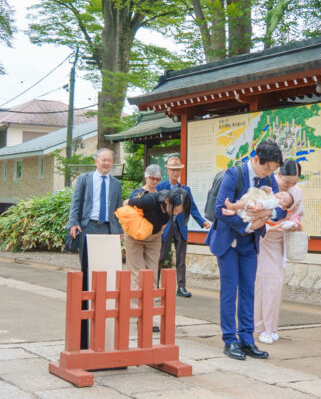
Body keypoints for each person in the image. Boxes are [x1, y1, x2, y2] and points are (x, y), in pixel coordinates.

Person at [205, 140, 284, 360]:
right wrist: (247, 226)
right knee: (230, 290)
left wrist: (269, 215)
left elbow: (281, 209)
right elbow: (221, 210)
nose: (270, 173)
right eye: (267, 168)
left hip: (250, 243)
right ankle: (230, 340)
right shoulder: (234, 174)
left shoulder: (268, 179)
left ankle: (247, 339)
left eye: (273, 170)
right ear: (256, 159)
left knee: (249, 289)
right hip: (229, 241)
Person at [67, 148, 123, 347]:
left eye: (110, 160)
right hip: (88, 226)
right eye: (103, 160)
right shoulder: (85, 179)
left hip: (108, 229)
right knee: (87, 272)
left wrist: (119, 230)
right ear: (96, 161)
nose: (107, 163)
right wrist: (73, 223)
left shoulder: (116, 184)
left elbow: (117, 210)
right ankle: (84, 317)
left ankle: (103, 313)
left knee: (106, 274)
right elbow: (76, 202)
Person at [255, 160, 304, 344]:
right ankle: (260, 327)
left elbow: (298, 215)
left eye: (294, 182)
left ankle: (271, 326)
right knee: (259, 283)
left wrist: (295, 225)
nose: (290, 186)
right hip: (262, 238)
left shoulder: (296, 192)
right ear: (278, 175)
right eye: (287, 182)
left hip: (280, 242)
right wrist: (268, 228)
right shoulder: (267, 184)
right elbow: (255, 212)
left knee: (276, 284)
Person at [156, 154, 210, 298]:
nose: (175, 173)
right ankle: (155, 287)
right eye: (172, 169)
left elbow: (192, 208)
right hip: (165, 227)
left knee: (181, 259)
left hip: (180, 226)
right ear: (167, 171)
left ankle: (181, 287)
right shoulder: (160, 187)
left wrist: (202, 222)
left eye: (178, 170)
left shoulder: (185, 189)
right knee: (160, 257)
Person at [122, 164, 165, 291]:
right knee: (136, 271)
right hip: (135, 236)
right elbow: (129, 210)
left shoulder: (161, 195)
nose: (155, 181)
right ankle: (135, 306)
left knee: (152, 270)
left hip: (154, 236)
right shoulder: (138, 193)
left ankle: (149, 303)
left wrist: (161, 230)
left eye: (158, 179)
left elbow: (166, 214)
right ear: (146, 177)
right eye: (152, 178)